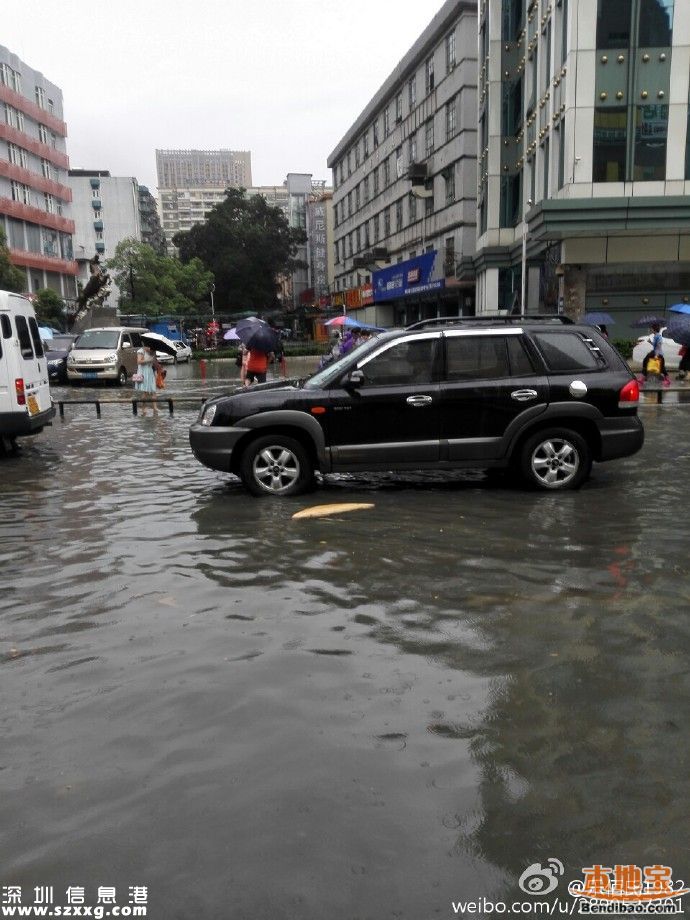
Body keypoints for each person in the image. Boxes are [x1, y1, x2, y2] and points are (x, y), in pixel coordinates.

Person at [135, 343, 158, 415]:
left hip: (150, 372)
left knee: (153, 390)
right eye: (148, 347)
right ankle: (143, 408)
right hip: (143, 372)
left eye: (150, 347)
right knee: (145, 391)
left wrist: (156, 371)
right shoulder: (141, 351)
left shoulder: (153, 352)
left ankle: (155, 407)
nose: (149, 348)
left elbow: (154, 363)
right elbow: (139, 362)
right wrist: (148, 360)